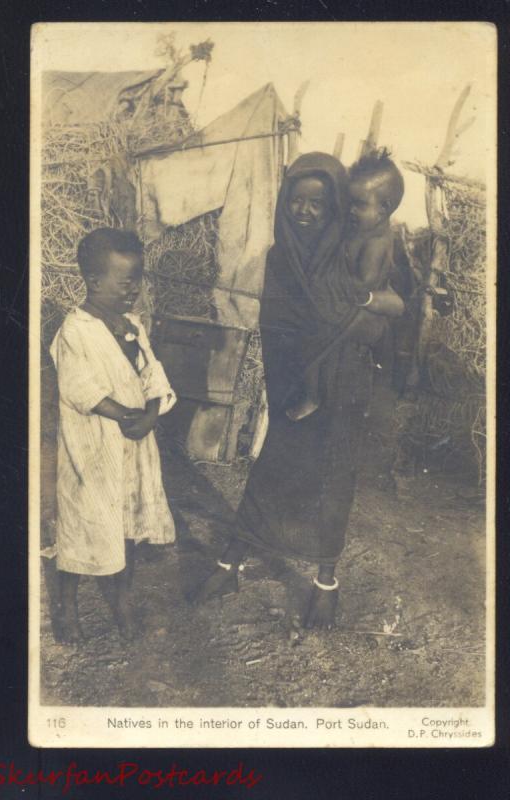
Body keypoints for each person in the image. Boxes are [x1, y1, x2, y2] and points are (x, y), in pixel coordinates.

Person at [189, 152, 404, 629]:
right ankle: (230, 564)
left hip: (344, 387)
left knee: (334, 478)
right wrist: (308, 362)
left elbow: (376, 325)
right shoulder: (280, 257)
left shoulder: (349, 252)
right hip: (292, 384)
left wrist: (352, 320)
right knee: (273, 469)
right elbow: (279, 325)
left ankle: (326, 585)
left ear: (334, 209)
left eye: (317, 204)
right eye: (296, 201)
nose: (304, 212)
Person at [50, 228, 177, 643]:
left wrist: (152, 415)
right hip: (94, 449)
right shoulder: (76, 331)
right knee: (82, 526)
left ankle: (122, 602)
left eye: (139, 278)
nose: (135, 288)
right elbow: (79, 387)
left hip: (134, 445)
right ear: (94, 281)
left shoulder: (134, 326)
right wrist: (125, 415)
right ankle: (66, 606)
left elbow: (153, 375)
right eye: (126, 281)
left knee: (125, 528)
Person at [286, 148, 405, 421]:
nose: (351, 210)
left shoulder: (377, 241)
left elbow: (363, 285)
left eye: (360, 204)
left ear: (384, 209)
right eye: (349, 202)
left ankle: (312, 396)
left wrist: (329, 281)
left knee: (317, 333)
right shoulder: (360, 228)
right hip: (346, 300)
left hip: (359, 309)